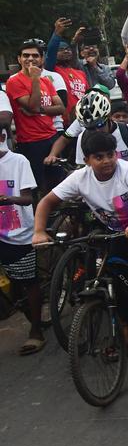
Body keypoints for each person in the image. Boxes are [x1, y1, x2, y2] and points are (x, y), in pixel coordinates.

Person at [34, 130, 128, 352]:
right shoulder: (79, 179)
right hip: (117, 227)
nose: (107, 161)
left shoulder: (125, 169)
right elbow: (46, 202)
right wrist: (39, 231)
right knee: (116, 275)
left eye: (110, 154)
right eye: (99, 157)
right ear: (86, 160)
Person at [8, 39, 67, 185]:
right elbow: (32, 106)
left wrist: (40, 110)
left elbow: (61, 108)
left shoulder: (46, 81)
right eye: (26, 55)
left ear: (41, 59)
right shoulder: (14, 81)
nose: (30, 59)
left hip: (52, 137)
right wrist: (34, 79)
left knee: (57, 182)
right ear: (19, 59)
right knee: (37, 185)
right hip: (31, 142)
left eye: (35, 56)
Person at [0, 143, 39, 355]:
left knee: (28, 281)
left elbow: (27, 199)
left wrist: (8, 199)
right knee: (14, 284)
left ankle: (36, 330)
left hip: (18, 233)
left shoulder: (18, 161)